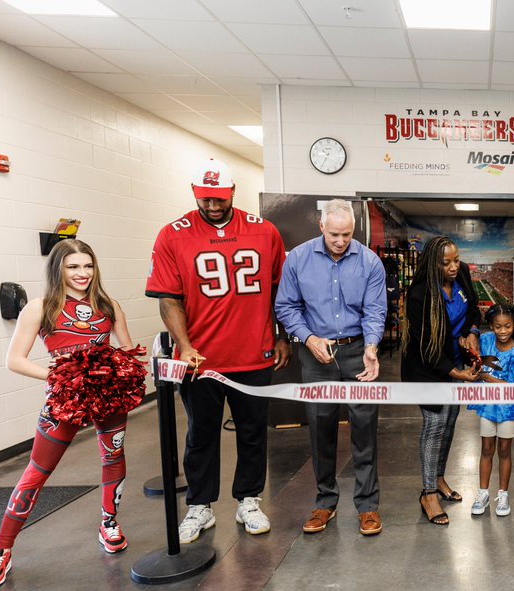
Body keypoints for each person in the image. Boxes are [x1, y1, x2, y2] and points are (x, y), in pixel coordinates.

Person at [0, 240, 138, 589]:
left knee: (113, 456)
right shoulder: (41, 307)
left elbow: (127, 349)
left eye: (88, 266)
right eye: (73, 267)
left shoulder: (108, 304)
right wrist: (62, 375)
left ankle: (108, 521)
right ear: (58, 270)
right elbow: (15, 360)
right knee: (37, 471)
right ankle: (1, 550)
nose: (82, 274)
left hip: (107, 396)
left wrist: (119, 371)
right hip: (64, 399)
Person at [146, 158, 290, 543]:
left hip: (253, 352)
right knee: (201, 433)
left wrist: (282, 336)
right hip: (200, 362)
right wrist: (186, 346)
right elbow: (168, 299)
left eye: (220, 199)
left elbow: (281, 290)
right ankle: (200, 505)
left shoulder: (264, 231)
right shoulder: (172, 235)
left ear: (232, 193)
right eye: (205, 199)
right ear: (195, 193)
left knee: (253, 432)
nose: (213, 207)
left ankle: (249, 499)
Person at [275, 199, 387, 536]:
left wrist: (371, 346)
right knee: (320, 428)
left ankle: (367, 506)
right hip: (316, 354)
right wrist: (308, 339)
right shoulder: (297, 259)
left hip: (356, 352)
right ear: (321, 227)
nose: (340, 241)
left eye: (347, 235)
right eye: (334, 234)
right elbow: (286, 307)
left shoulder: (369, 262)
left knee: (364, 429)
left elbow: (375, 310)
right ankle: (325, 501)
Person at [402, 236, 481, 526]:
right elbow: (425, 346)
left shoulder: (461, 275)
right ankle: (428, 493)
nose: (453, 267)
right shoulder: (420, 294)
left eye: (456, 260)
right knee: (434, 425)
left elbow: (473, 307)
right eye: (445, 262)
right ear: (432, 263)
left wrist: (472, 331)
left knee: (449, 421)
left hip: (454, 360)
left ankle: (438, 477)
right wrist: (455, 372)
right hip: (427, 367)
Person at [467, 304, 514, 517]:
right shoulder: (485, 341)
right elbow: (471, 349)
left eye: (508, 327)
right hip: (486, 407)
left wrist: (487, 377)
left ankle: (503, 494)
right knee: (486, 449)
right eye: (498, 327)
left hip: (507, 410)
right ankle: (482, 493)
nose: (503, 331)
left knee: (504, 451)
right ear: (491, 326)